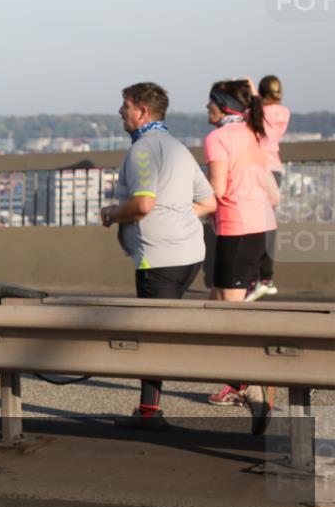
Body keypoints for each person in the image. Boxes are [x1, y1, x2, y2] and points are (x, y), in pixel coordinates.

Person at [101, 82, 216, 429]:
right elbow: (208, 202)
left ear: (143, 112)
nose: (121, 112)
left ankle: (244, 385)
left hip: (159, 259)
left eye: (126, 106)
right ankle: (148, 411)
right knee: (164, 332)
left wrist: (111, 214)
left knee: (153, 336)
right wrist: (178, 218)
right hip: (189, 253)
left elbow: (144, 205)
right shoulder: (178, 148)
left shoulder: (143, 150)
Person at [202, 80, 279, 434]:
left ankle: (255, 385)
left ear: (221, 105)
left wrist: (185, 208)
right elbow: (272, 194)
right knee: (224, 309)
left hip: (234, 229)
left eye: (210, 103)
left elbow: (216, 191)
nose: (206, 109)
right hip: (261, 228)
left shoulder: (218, 139)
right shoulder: (255, 132)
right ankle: (246, 384)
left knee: (228, 319)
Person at [245, 75, 290, 302]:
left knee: (255, 225)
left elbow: (255, 112)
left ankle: (260, 279)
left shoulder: (259, 112)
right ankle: (266, 279)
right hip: (276, 169)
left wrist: (252, 94)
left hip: (261, 169)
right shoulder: (283, 113)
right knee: (269, 223)